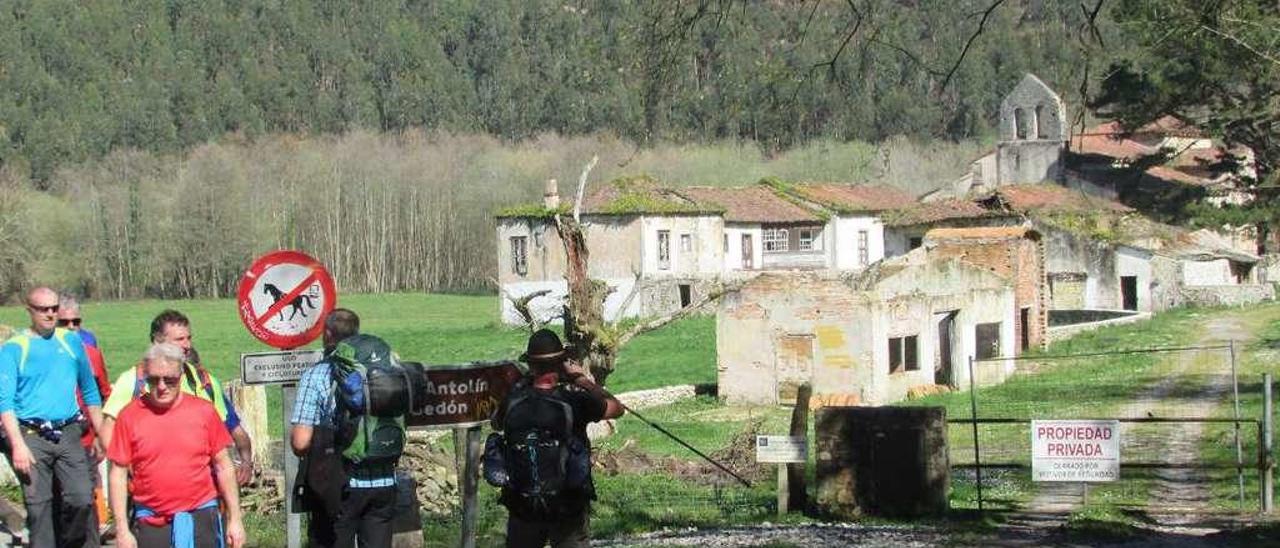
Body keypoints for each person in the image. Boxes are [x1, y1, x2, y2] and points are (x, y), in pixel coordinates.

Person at [492, 329, 624, 548]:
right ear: (561, 363)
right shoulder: (575, 400)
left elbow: (495, 423)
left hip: (523, 506)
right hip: (568, 506)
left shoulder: (513, 401)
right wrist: (582, 379)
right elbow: (617, 409)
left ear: (531, 366)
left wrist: (522, 384)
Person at [107, 342, 245, 548]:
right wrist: (122, 530)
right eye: (154, 380)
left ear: (180, 376)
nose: (161, 387)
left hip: (201, 518)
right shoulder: (129, 416)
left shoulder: (204, 411)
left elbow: (223, 466)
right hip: (152, 522)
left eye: (169, 380)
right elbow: (117, 474)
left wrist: (235, 520)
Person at [0, 286, 106, 547]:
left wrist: (102, 433)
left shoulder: (70, 342)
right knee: (39, 508)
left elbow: (90, 390)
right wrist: (18, 445)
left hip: (69, 430)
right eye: (43, 309)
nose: (50, 314)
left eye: (54, 308)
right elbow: (6, 402)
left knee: (81, 498)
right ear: (30, 311)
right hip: (31, 434)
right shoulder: (15, 348)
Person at [100, 310, 254, 485]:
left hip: (203, 493)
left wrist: (246, 463)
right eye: (179, 340)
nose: (187, 345)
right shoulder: (133, 380)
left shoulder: (205, 381)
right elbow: (107, 432)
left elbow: (232, 433)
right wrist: (128, 468)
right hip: (149, 494)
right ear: (157, 342)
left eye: (188, 338)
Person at [290, 308, 397, 548]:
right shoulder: (380, 370)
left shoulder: (318, 374)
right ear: (356, 333)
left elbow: (300, 442)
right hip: (384, 480)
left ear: (327, 334)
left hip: (338, 486)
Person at [58, 295, 115, 537]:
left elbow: (104, 394)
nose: (71, 327)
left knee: (85, 493)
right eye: (65, 322)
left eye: (76, 321)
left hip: (85, 436)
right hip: (51, 437)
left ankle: (94, 530)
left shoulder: (91, 353)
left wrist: (102, 435)